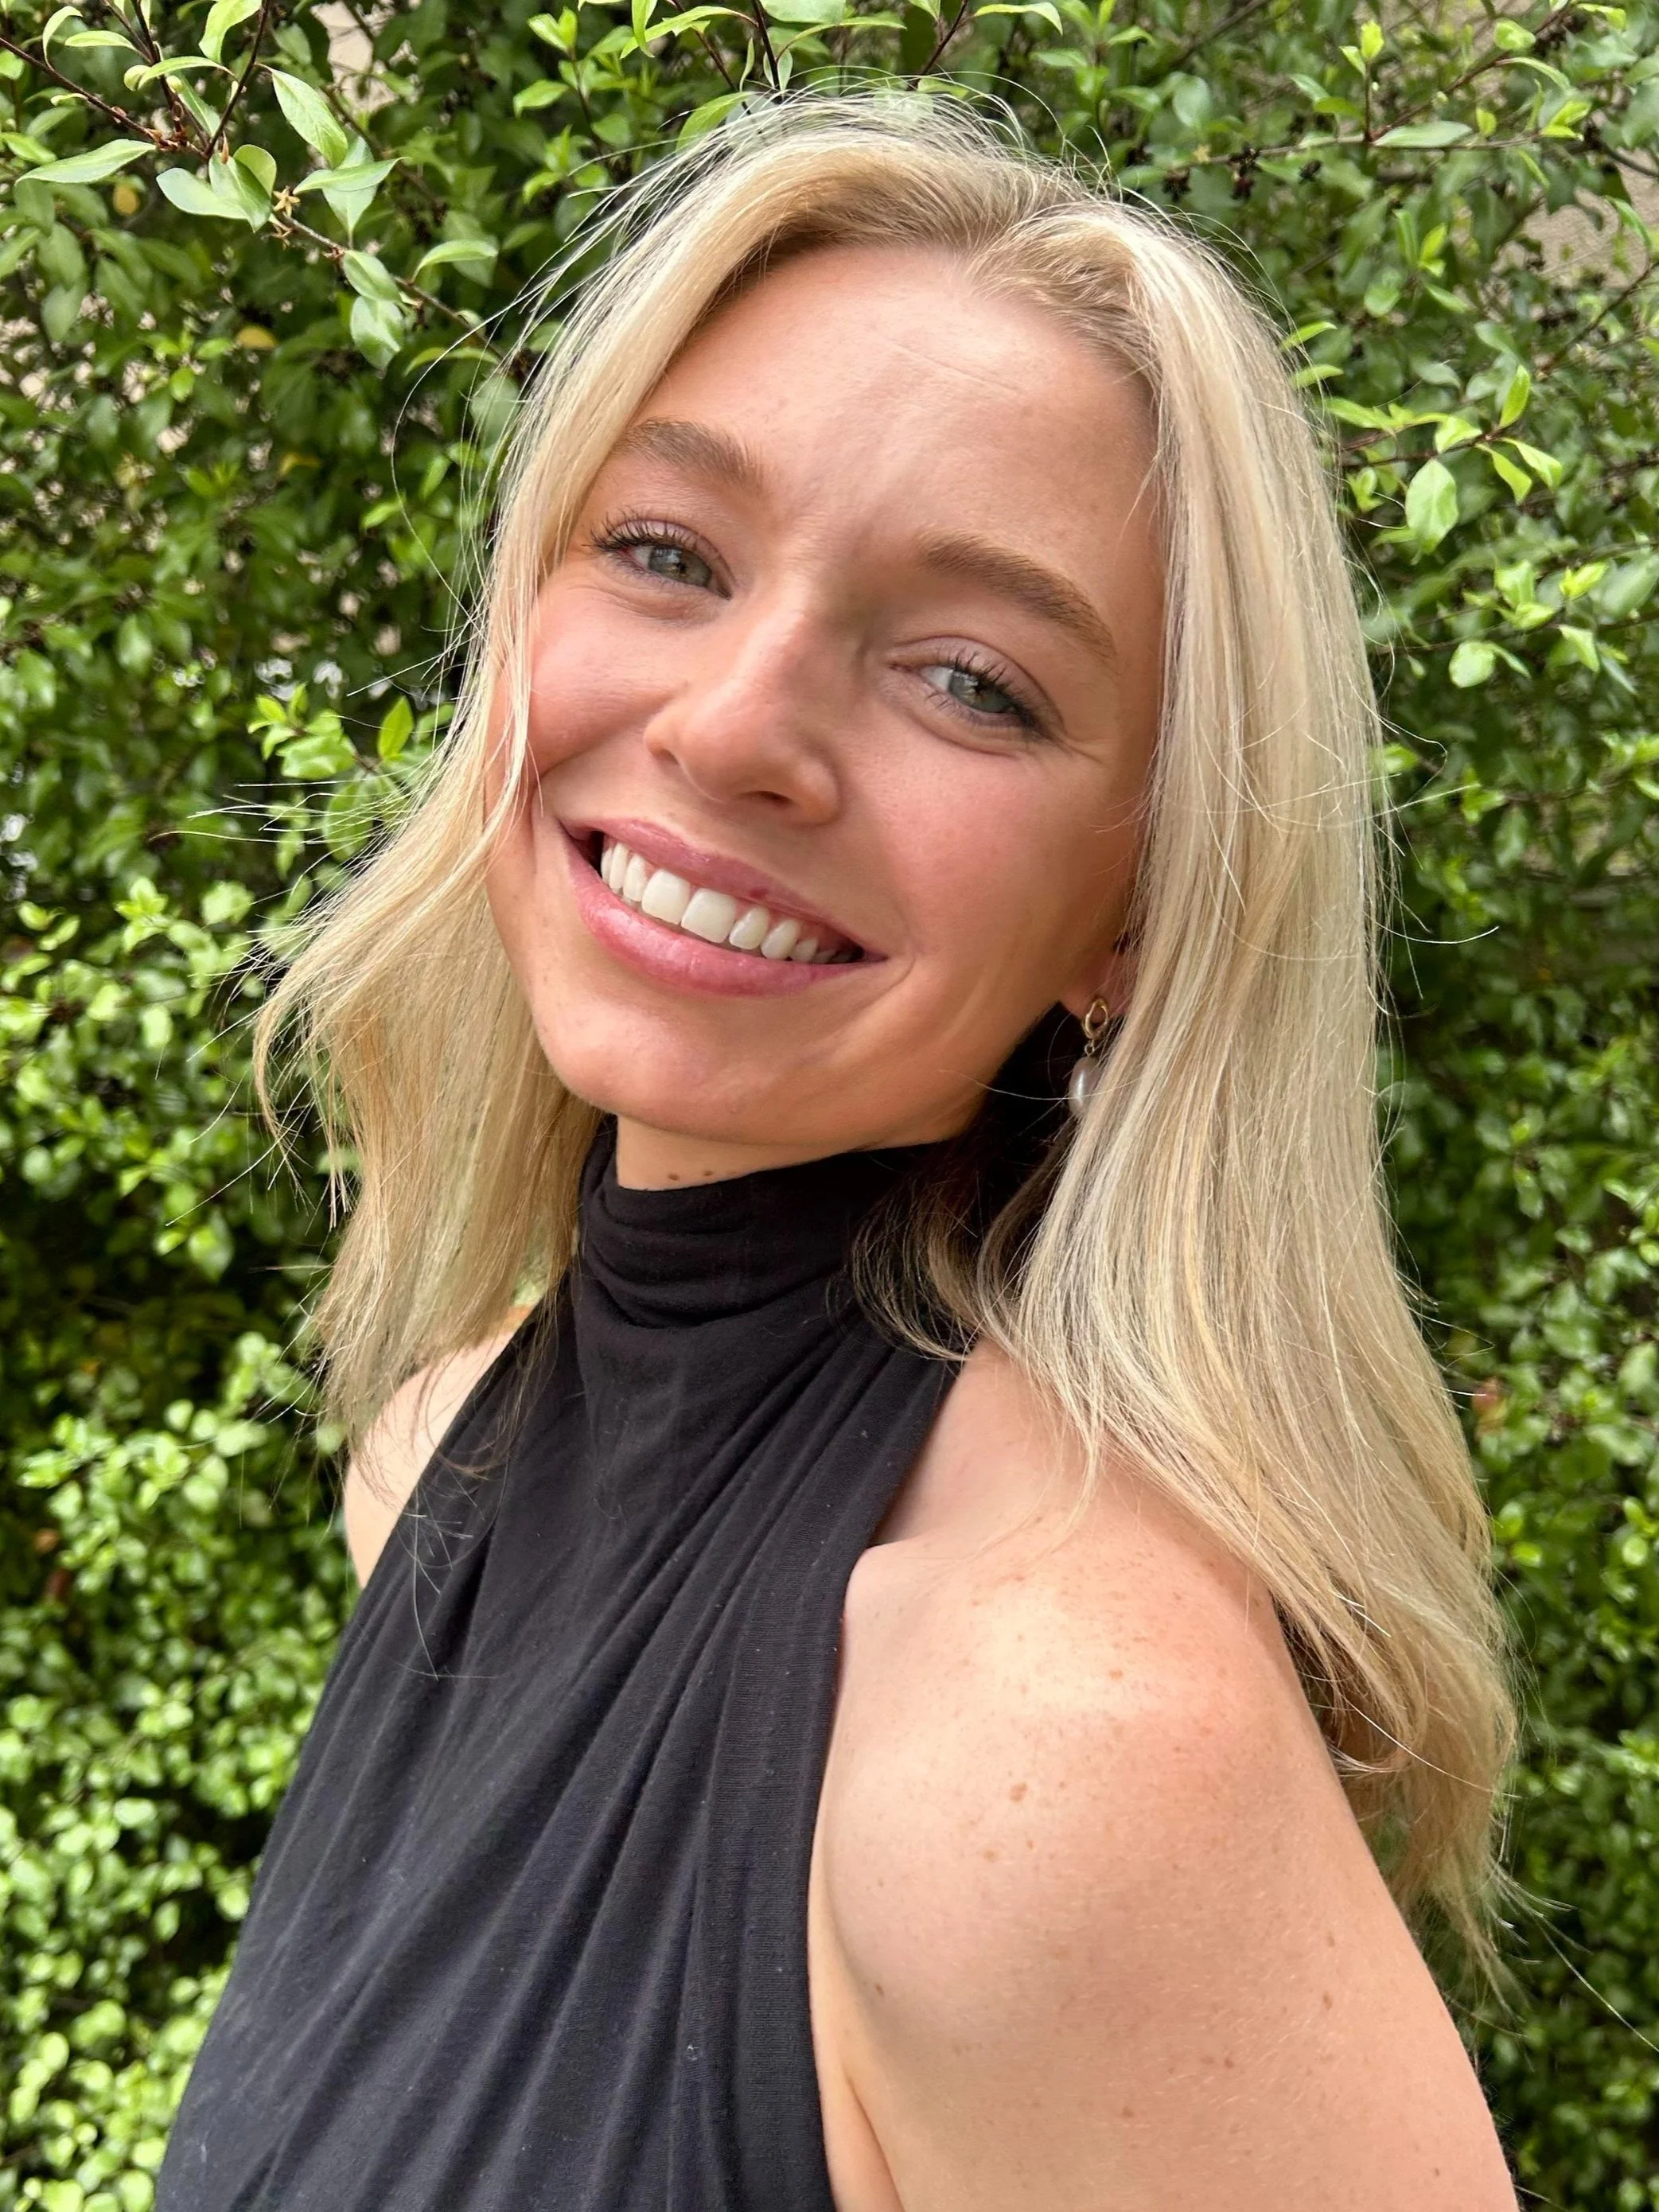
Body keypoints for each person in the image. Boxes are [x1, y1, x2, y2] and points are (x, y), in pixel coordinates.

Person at [157, 95, 1520, 2211]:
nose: (730, 724)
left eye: (971, 680)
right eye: (669, 552)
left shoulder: (1049, 1746)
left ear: (1135, 914)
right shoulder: (443, 1453)